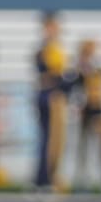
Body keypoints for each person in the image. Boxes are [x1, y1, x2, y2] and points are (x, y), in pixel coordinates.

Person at [68, 39, 101, 190]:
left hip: (98, 109)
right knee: (83, 145)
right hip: (85, 110)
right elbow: (76, 90)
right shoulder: (78, 68)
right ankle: (81, 177)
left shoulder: (98, 66)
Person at [34, 10, 68, 190]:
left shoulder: (51, 47)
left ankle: (47, 176)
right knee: (50, 139)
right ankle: (45, 178)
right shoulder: (48, 48)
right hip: (50, 95)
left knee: (52, 139)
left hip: (49, 93)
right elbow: (55, 74)